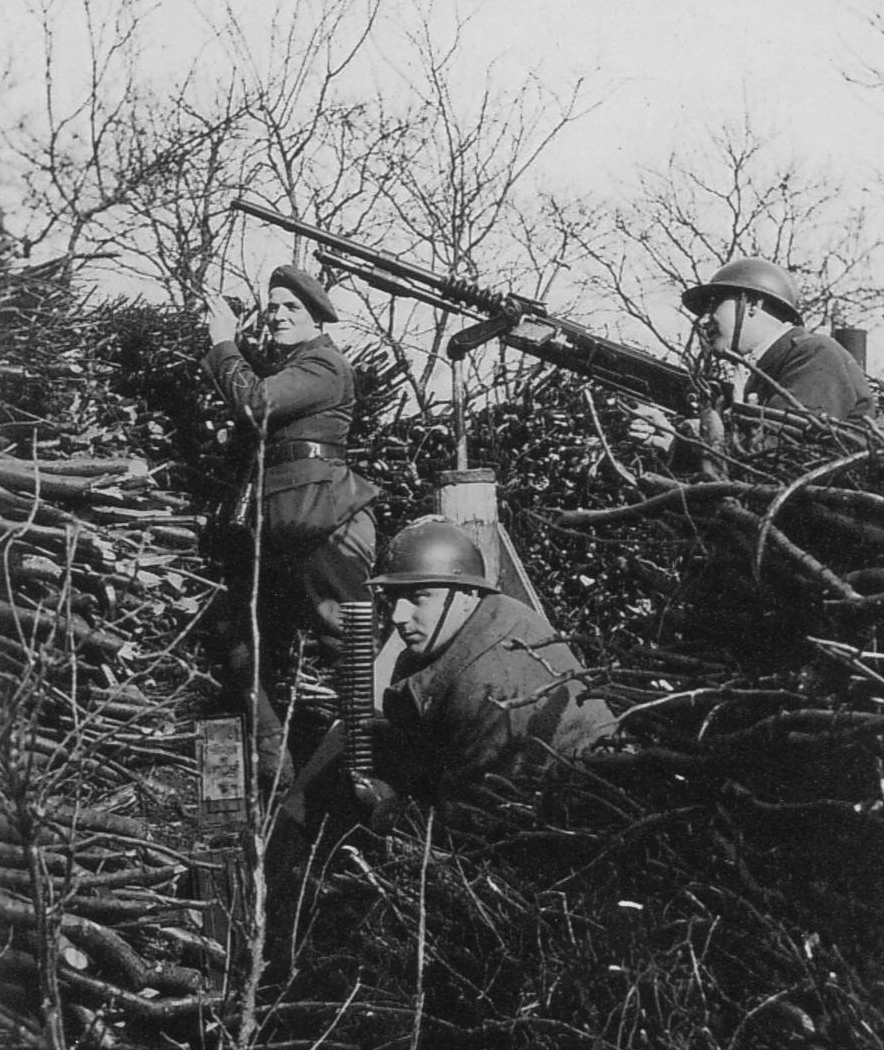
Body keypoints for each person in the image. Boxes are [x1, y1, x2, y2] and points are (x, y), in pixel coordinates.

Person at [203, 264, 378, 785]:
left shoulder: (324, 364)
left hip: (322, 519)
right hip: (277, 526)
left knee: (349, 645)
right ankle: (272, 769)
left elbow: (257, 404)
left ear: (318, 318)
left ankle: (368, 772)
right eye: (273, 306)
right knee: (239, 640)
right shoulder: (292, 366)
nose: (278, 315)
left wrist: (222, 345)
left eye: (291, 308)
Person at [358, 518, 616, 823]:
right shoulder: (488, 615)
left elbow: (476, 819)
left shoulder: (490, 684)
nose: (399, 616)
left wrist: (387, 812)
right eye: (392, 599)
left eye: (419, 597)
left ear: (467, 595)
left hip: (576, 821)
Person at [681, 257, 876, 423]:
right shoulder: (770, 368)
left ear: (753, 304)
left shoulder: (815, 355)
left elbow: (781, 452)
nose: (705, 320)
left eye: (713, 305)